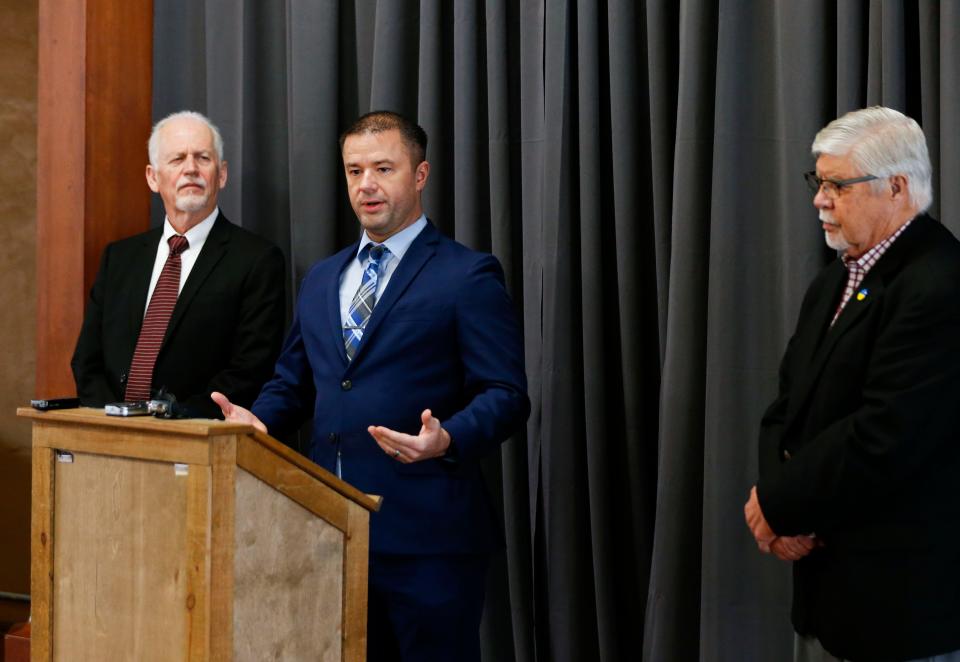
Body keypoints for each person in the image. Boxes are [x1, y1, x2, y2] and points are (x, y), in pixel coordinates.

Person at [213, 110, 529, 660]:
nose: (367, 185)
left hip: (429, 543)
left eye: (383, 168)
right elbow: (294, 381)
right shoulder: (322, 278)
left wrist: (447, 438)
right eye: (354, 171)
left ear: (421, 175)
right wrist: (259, 421)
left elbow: (506, 395)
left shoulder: (467, 275)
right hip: (330, 536)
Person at [745, 106, 960, 661]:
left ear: (896, 187)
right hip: (830, 592)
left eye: (838, 185)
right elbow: (787, 408)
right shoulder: (834, 280)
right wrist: (779, 510)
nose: (820, 199)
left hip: (900, 607)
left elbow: (884, 434)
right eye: (819, 182)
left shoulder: (939, 283)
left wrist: (779, 503)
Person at [72, 110, 286, 418]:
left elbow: (250, 369)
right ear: (153, 177)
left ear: (222, 174)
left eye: (202, 158)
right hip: (112, 438)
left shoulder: (257, 260)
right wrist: (117, 418)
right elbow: (86, 361)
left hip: (197, 440)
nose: (191, 169)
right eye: (177, 159)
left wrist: (170, 421)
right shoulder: (118, 258)